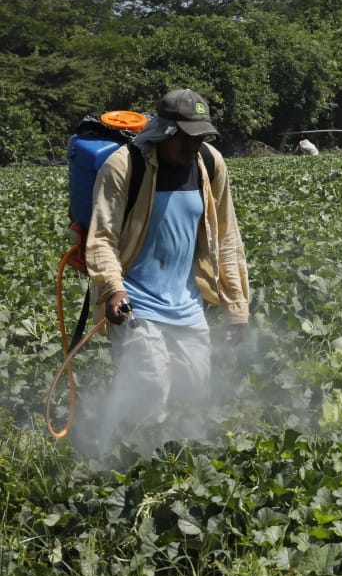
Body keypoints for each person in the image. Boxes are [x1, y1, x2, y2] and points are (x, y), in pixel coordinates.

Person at [84, 88, 250, 452]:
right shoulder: (125, 166)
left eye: (201, 137)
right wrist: (113, 288)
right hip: (136, 303)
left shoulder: (209, 164)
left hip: (186, 304)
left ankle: (179, 462)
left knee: (193, 388)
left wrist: (236, 307)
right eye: (186, 137)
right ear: (166, 131)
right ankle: (134, 461)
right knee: (150, 386)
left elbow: (227, 238)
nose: (194, 146)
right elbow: (101, 238)